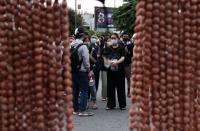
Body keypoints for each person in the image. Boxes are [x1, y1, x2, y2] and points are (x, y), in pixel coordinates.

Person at [71, 27, 94, 116]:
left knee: (75, 90)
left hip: (73, 70)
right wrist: (89, 70)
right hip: (82, 71)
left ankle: (75, 109)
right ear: (83, 35)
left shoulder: (71, 44)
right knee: (84, 90)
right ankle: (82, 110)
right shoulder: (83, 46)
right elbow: (86, 61)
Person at [105, 33, 126, 110]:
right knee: (110, 87)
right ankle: (111, 104)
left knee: (121, 87)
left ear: (118, 38)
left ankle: (122, 105)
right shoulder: (108, 48)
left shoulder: (121, 47)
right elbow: (106, 58)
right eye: (112, 38)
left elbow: (123, 57)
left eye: (114, 38)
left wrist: (117, 62)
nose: (113, 39)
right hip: (110, 70)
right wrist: (110, 62)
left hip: (120, 70)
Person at [83, 36, 98, 110]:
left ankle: (94, 102)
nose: (87, 42)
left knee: (92, 87)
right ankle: (85, 102)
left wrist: (88, 55)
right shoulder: (80, 49)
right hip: (82, 71)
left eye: (88, 40)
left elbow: (95, 61)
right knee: (83, 88)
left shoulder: (92, 49)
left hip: (90, 71)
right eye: (85, 40)